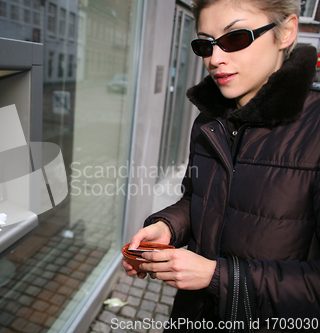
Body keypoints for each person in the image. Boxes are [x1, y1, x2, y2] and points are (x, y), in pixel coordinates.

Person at [123, 0, 320, 331]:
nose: (214, 59)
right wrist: (167, 228)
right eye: (205, 44)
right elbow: (196, 198)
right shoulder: (208, 121)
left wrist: (218, 276)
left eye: (235, 38)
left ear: (286, 32)